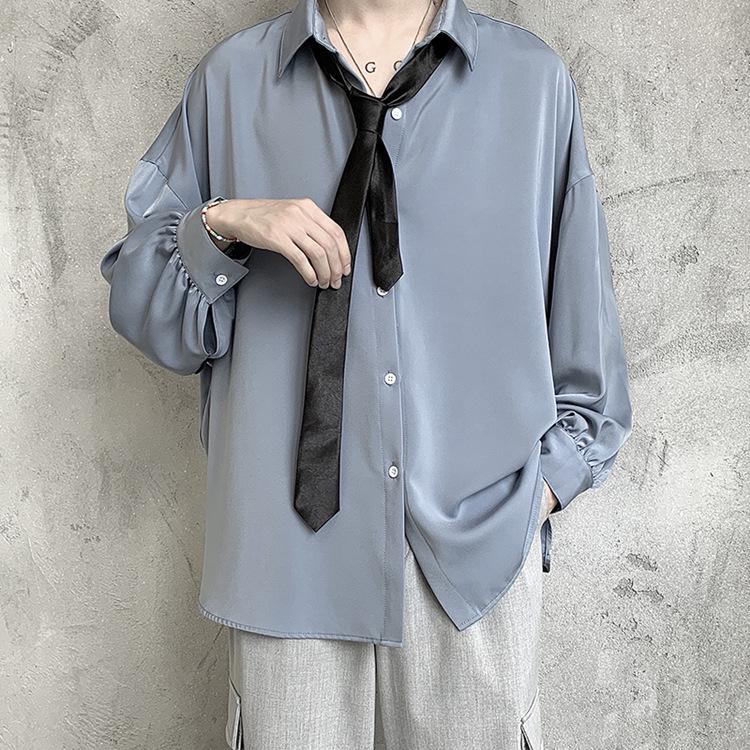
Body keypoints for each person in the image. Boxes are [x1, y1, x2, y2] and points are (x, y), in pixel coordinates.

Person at [99, 0, 634, 747]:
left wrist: (527, 504)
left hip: (470, 570)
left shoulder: (532, 84)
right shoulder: (231, 83)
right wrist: (225, 223)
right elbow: (146, 309)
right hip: (287, 566)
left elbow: (589, 356)